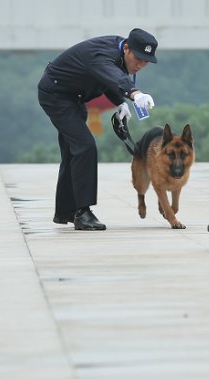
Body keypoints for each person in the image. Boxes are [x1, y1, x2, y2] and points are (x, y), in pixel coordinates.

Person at [38, 28, 158, 231]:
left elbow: (107, 79)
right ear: (127, 48)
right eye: (138, 58)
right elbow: (111, 74)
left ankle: (66, 211)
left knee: (72, 153)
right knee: (85, 146)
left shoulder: (120, 55)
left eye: (146, 61)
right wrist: (134, 93)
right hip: (56, 96)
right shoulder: (102, 53)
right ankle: (83, 213)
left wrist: (120, 102)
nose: (140, 65)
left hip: (74, 98)